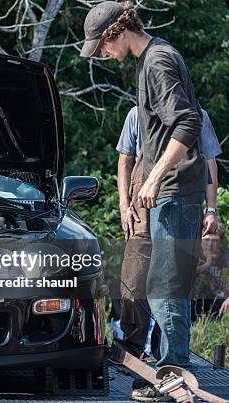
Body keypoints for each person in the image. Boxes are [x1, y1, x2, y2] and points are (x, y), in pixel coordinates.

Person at [81, 2, 207, 399]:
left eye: (101, 46)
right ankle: (171, 368)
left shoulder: (158, 61)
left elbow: (188, 122)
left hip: (173, 192)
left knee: (166, 287)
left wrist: (152, 177)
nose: (102, 53)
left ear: (117, 32)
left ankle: (175, 372)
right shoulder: (149, 59)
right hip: (167, 192)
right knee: (162, 285)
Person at [115, 105, 221, 357]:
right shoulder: (135, 113)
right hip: (141, 201)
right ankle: (132, 344)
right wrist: (123, 206)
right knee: (134, 275)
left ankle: (163, 349)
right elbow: (125, 161)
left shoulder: (199, 115)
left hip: (184, 198)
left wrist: (212, 209)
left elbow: (209, 163)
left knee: (175, 277)